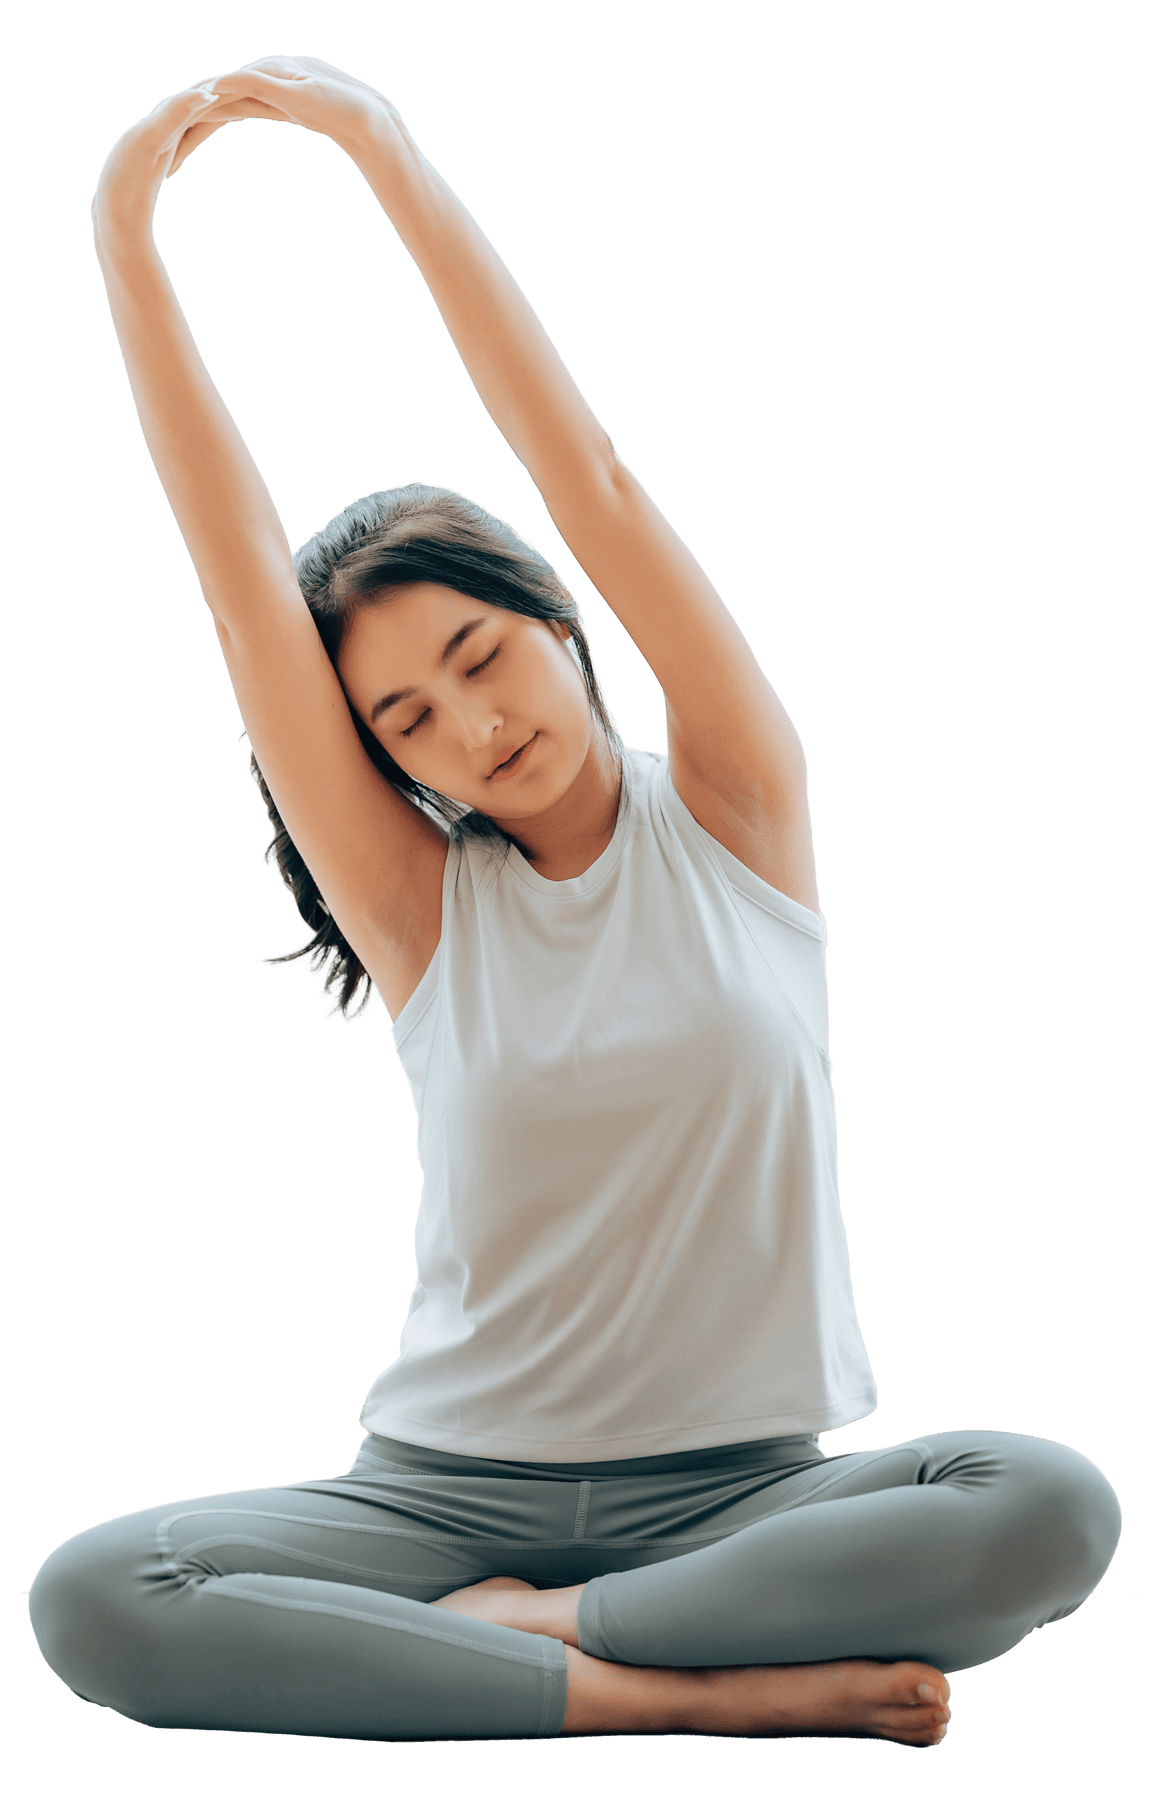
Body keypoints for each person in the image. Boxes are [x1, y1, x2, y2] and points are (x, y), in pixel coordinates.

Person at [28, 57, 1121, 1749]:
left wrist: (381, 146)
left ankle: (536, 1639)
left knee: (1046, 1506)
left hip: (749, 1497)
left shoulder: (737, 808)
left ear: (555, 619)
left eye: (479, 656)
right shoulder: (418, 908)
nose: (472, 728)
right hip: (438, 1496)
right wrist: (120, 234)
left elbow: (587, 471)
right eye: (408, 720)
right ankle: (672, 1691)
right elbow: (242, 602)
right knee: (97, 1598)